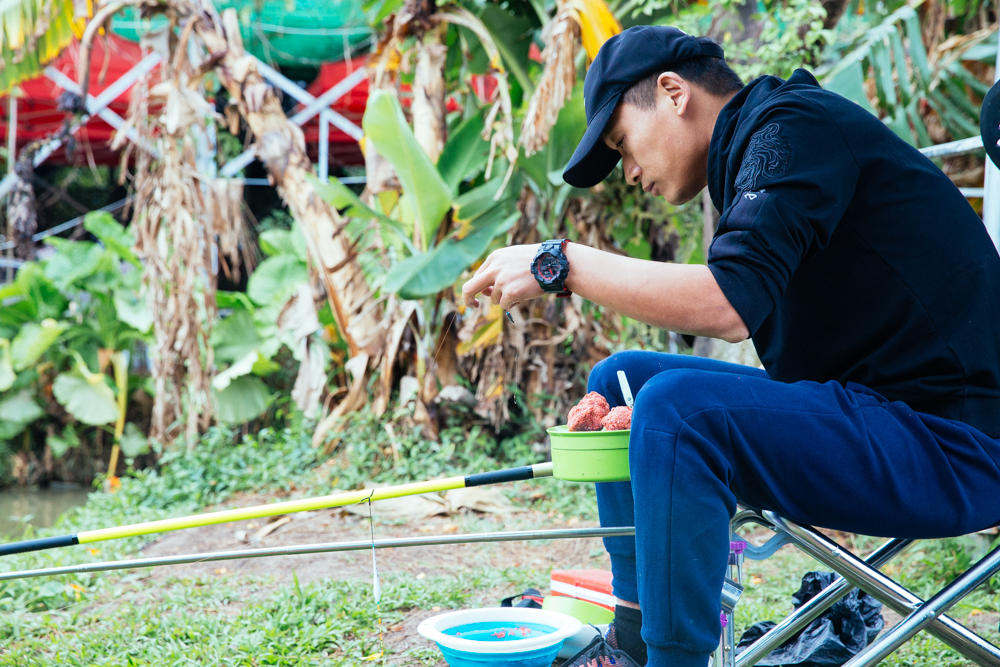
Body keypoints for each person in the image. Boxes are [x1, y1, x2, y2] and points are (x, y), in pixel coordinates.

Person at [461, 24, 1000, 667]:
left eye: (623, 145)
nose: (629, 172)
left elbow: (727, 305)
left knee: (678, 410)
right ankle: (633, 646)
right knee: (620, 381)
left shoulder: (791, 131)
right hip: (874, 410)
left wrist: (560, 264)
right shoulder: (752, 154)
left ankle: (673, 661)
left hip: (953, 444)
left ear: (672, 92)